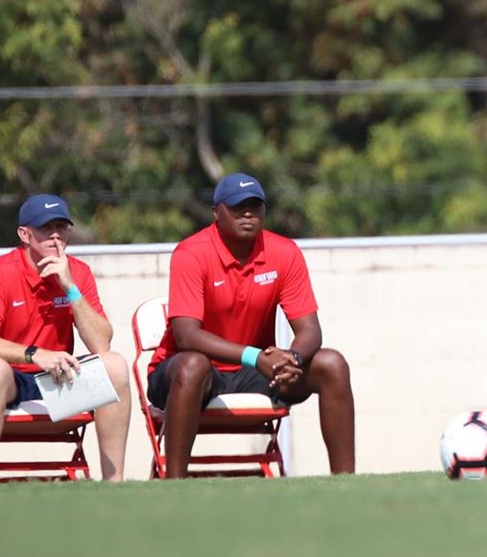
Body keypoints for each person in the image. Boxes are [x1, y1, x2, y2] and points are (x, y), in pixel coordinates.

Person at [146, 173, 356, 477]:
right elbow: (187, 335)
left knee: (332, 363)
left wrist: (292, 359)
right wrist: (255, 356)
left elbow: (310, 330)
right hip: (189, 374)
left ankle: (346, 483)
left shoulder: (284, 252)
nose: (248, 213)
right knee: (194, 365)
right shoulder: (191, 253)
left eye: (255, 206)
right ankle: (175, 482)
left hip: (256, 372)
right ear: (216, 213)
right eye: (238, 207)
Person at [0, 194, 132, 484]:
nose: (55, 235)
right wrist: (36, 354)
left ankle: (114, 485)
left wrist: (69, 286)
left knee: (115, 366)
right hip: (3, 382)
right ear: (25, 234)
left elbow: (101, 345)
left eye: (62, 226)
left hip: (55, 383)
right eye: (46, 227)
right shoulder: (0, 273)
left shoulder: (78, 273)